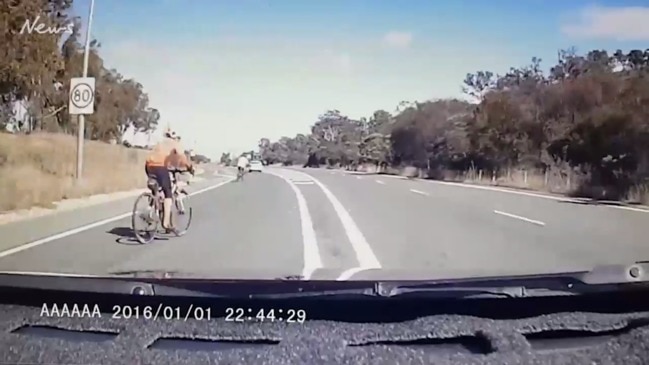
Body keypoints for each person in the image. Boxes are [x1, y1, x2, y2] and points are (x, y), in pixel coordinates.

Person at [145, 128, 194, 232]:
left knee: (157, 188)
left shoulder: (161, 143)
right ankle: (166, 223)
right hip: (159, 166)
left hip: (149, 165)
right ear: (175, 138)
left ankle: (153, 205)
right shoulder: (175, 144)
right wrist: (190, 168)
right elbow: (182, 158)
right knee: (168, 194)